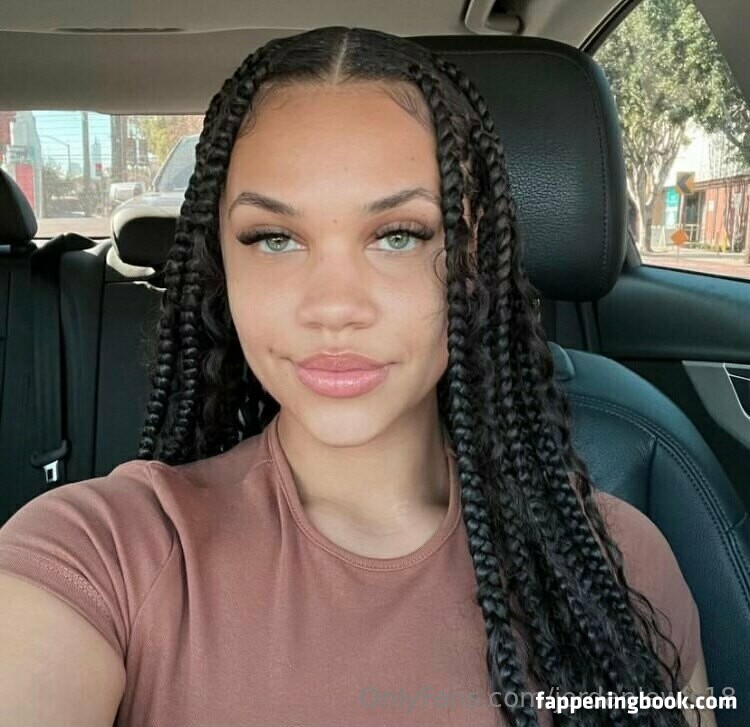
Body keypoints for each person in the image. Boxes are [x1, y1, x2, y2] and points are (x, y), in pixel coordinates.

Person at [0, 26, 716, 727]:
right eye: (274, 238)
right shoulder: (101, 550)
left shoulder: (613, 562)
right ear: (223, 262)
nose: (333, 306)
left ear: (473, 258)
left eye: (398, 235)